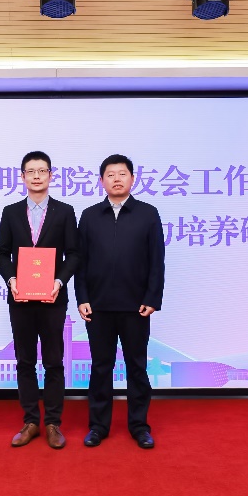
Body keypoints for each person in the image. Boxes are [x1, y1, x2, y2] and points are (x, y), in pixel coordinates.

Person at [75, 154, 165, 449]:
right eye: (110, 174)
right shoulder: (89, 216)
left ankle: (139, 426)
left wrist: (152, 298)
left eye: (122, 173)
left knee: (136, 367)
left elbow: (157, 261)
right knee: (101, 367)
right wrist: (82, 298)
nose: (116, 179)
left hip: (136, 307)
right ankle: (98, 426)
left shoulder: (148, 214)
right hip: (98, 307)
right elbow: (80, 261)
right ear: (102, 181)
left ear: (132, 179)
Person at [0, 151, 79, 450]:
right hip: (20, 299)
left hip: (53, 299)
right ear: (22, 176)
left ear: (50, 175)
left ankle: (53, 423)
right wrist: (12, 280)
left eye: (41, 171)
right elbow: (2, 253)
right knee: (25, 361)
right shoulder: (10, 212)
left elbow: (74, 254)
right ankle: (30, 421)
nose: (36, 176)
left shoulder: (65, 211)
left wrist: (59, 281)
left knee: (54, 362)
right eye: (30, 171)